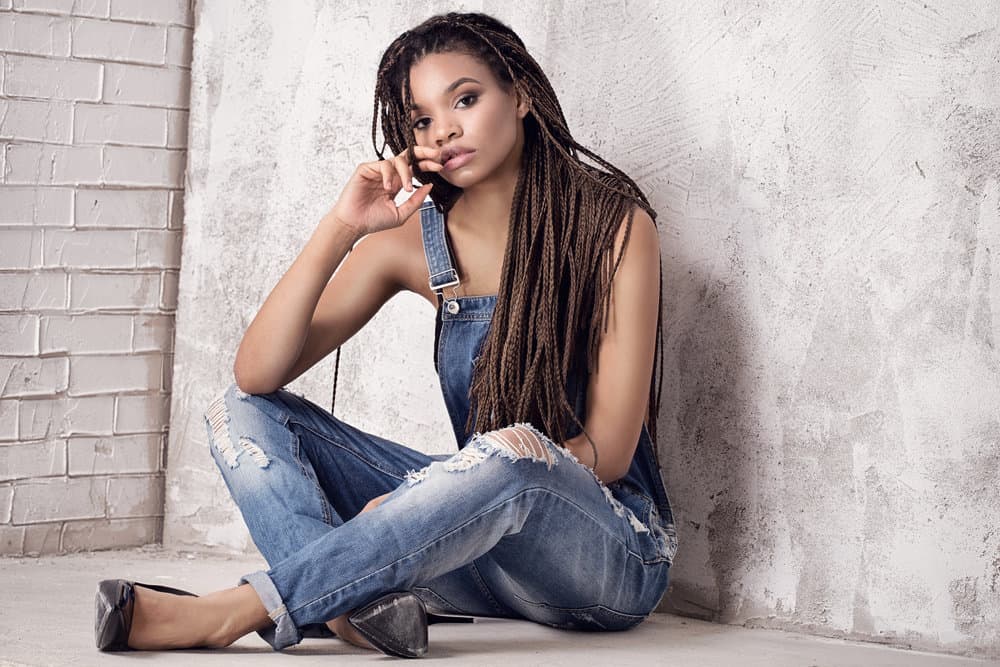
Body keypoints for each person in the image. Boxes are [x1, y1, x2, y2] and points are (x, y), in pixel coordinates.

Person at [94, 11, 678, 658]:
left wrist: (429, 494)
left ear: (521, 95)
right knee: (239, 413)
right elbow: (255, 374)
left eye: (465, 98)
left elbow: (611, 451)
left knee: (514, 452)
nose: (445, 128)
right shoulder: (412, 243)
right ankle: (351, 602)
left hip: (608, 552)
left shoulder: (615, 228)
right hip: (479, 558)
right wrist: (343, 226)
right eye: (423, 118)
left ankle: (237, 609)